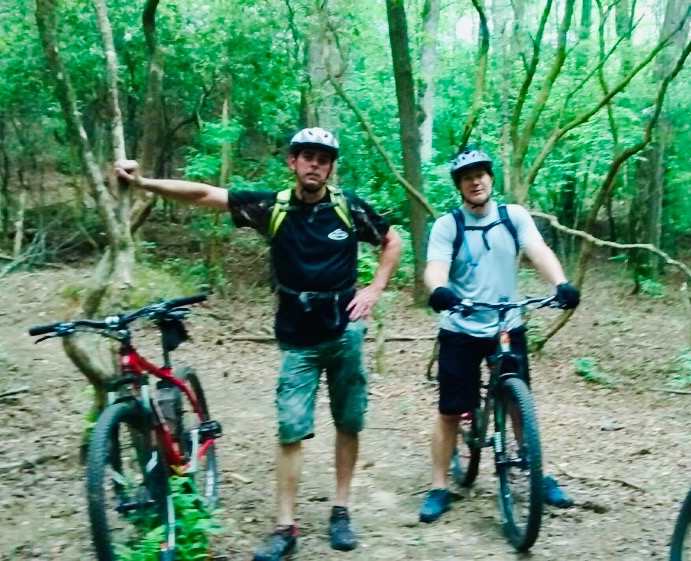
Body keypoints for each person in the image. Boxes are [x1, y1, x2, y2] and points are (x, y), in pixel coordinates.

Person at [115, 127, 402, 560]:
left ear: (330, 167)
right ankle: (285, 527)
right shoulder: (272, 207)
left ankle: (341, 510)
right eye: (307, 156)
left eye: (323, 159)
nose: (315, 164)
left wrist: (375, 289)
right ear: (293, 162)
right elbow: (204, 195)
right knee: (290, 429)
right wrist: (144, 183)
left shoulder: (349, 208)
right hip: (297, 340)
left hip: (344, 332)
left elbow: (391, 239)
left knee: (348, 422)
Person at [419, 146, 580, 523]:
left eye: (480, 174)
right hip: (461, 325)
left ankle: (537, 475)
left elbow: (538, 250)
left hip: (507, 323)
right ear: (459, 185)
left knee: (518, 401)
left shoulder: (513, 216)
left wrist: (561, 283)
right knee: (449, 411)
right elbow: (435, 267)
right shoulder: (448, 225)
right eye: (467, 177)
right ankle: (439, 486)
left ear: (491, 178)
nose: (475, 182)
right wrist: (439, 290)